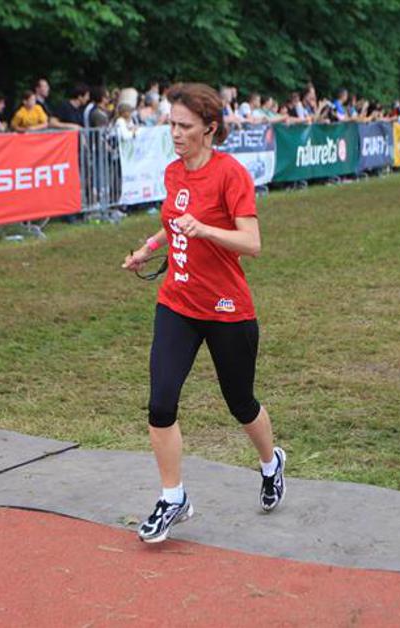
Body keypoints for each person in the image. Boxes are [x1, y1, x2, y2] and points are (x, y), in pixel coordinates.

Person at [121, 82, 286, 544]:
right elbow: (174, 220)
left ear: (210, 128)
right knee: (161, 403)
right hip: (178, 303)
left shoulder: (231, 174)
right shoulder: (174, 172)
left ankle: (270, 463)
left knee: (240, 402)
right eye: (171, 124)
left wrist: (207, 230)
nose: (175, 133)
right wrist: (149, 247)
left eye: (185, 126)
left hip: (227, 309)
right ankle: (173, 498)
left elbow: (252, 243)